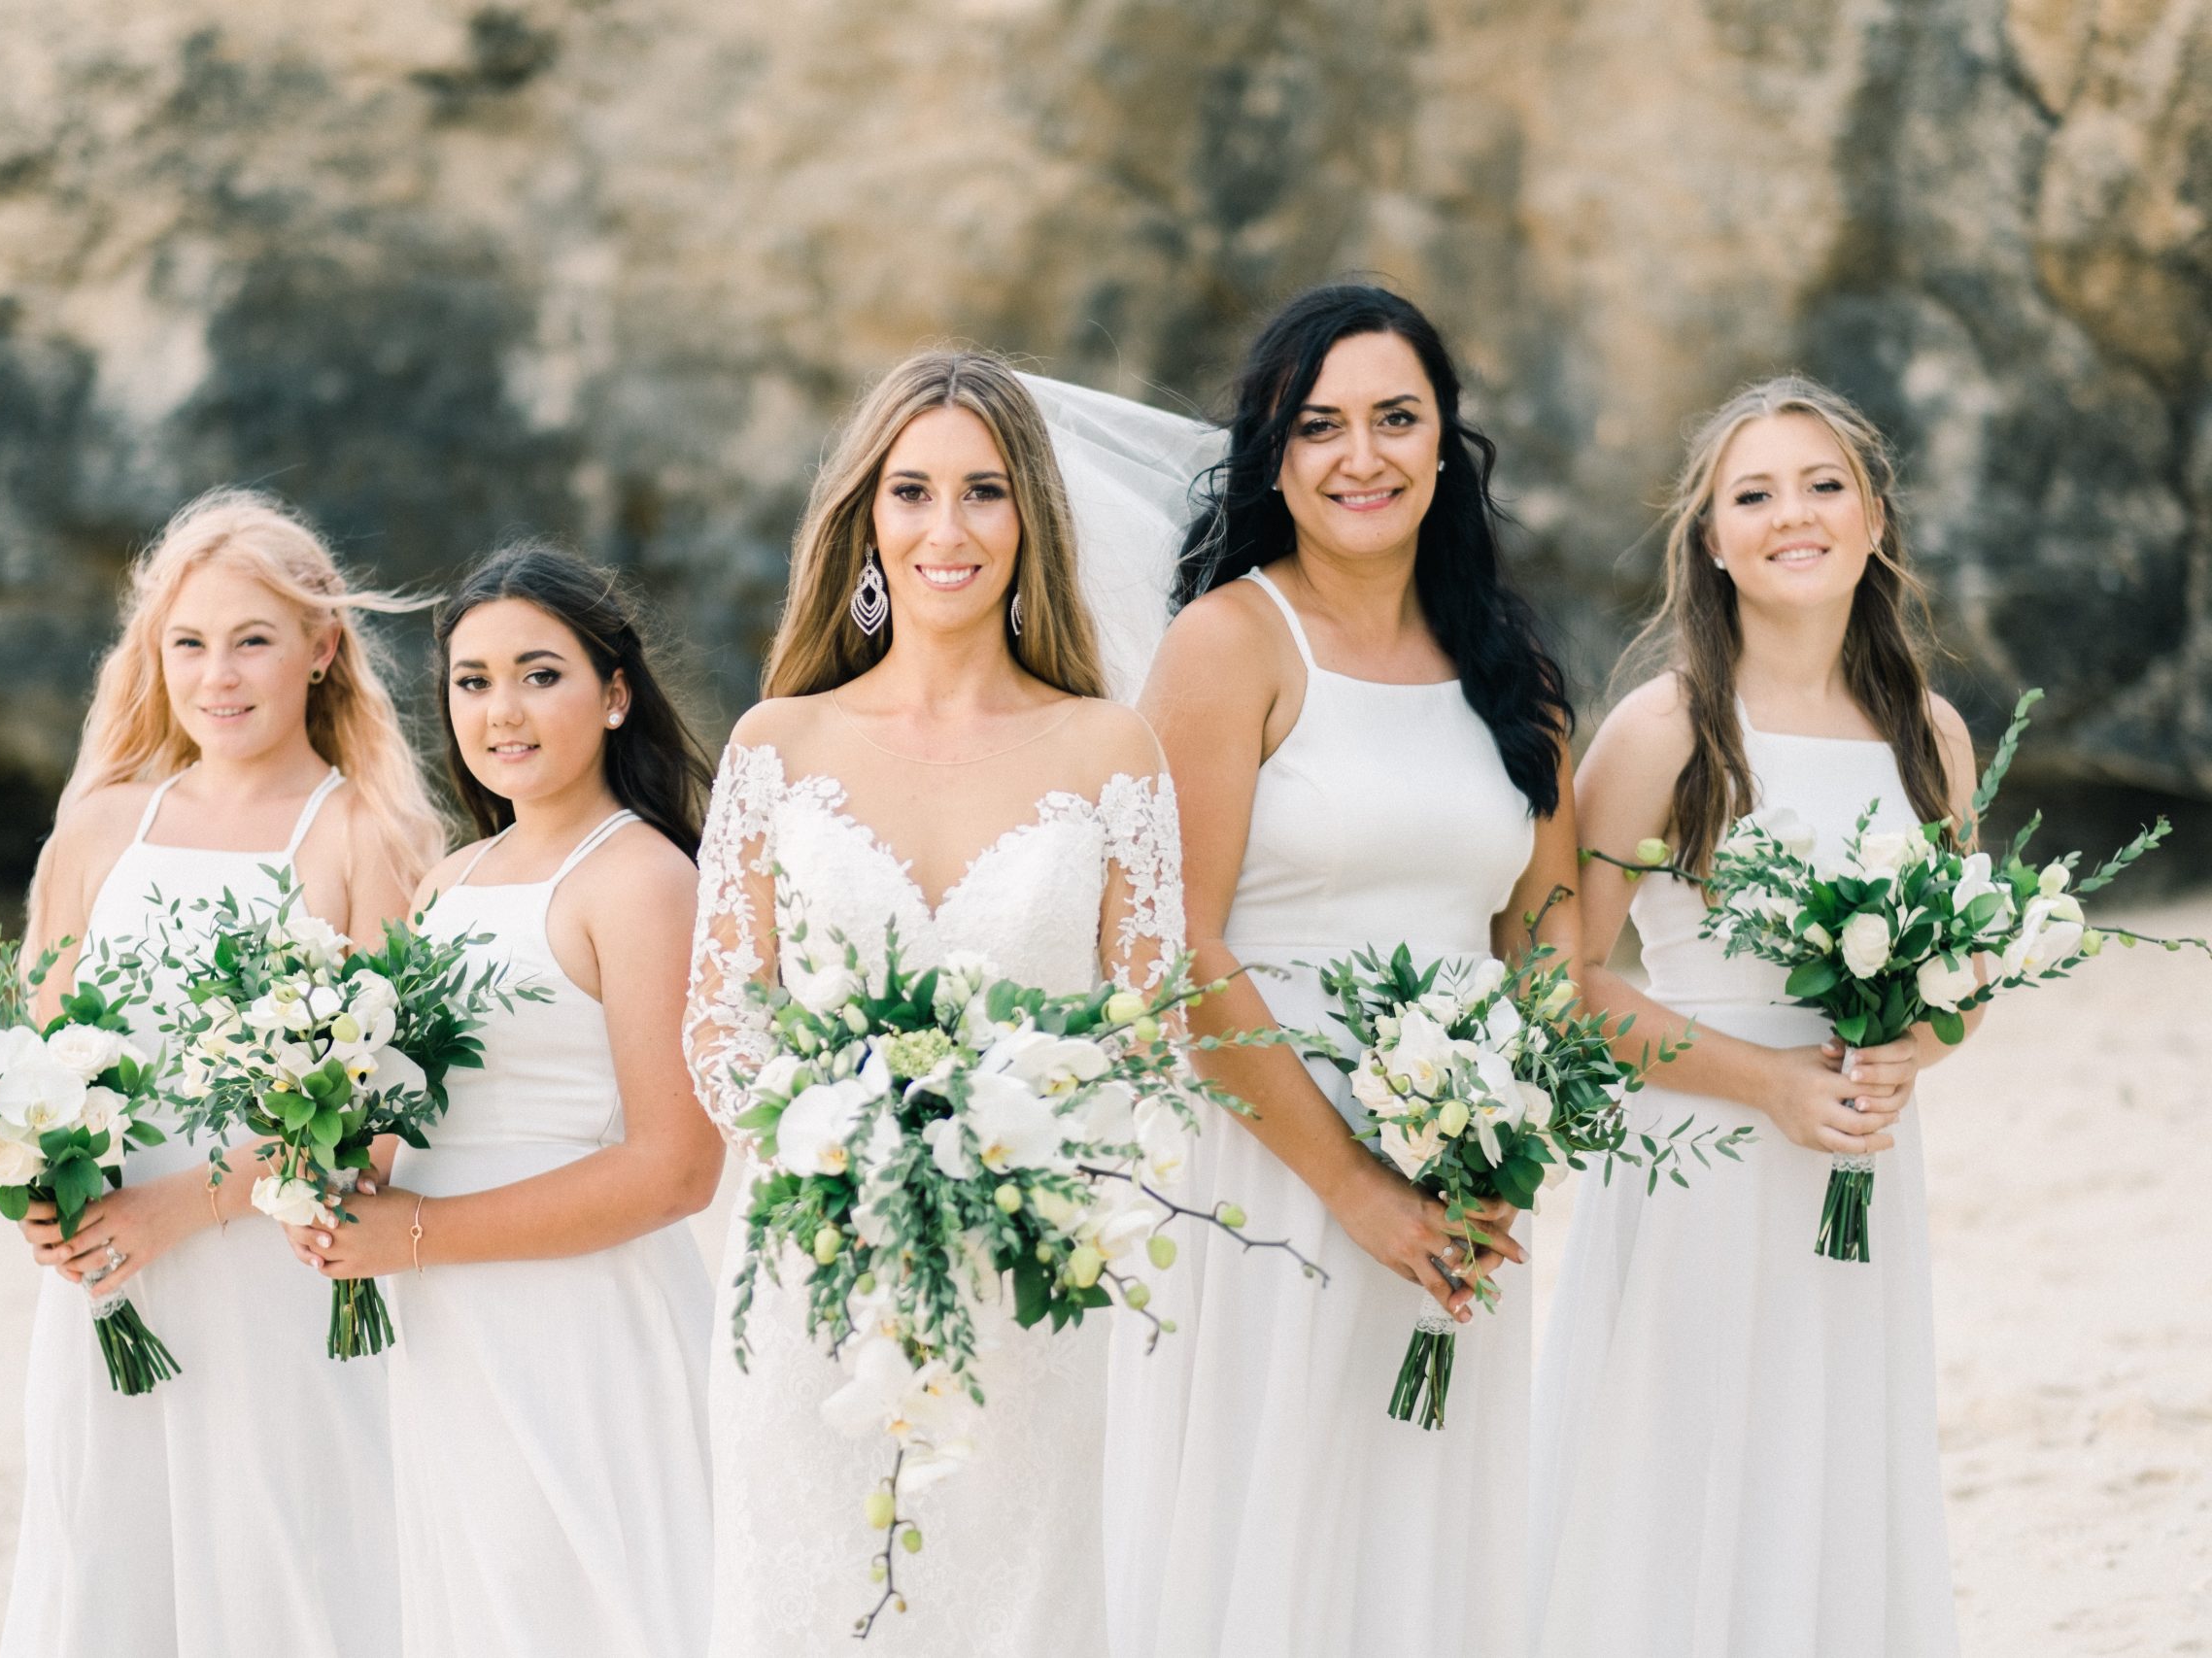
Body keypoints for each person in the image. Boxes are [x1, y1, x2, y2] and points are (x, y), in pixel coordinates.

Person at [685, 348, 1184, 1656]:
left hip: (1024, 1292)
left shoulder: (1108, 749)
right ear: (865, 519)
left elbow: (1151, 1040)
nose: (946, 529)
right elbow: (728, 1035)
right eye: (911, 492)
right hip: (812, 1288)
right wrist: (863, 1136)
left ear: (1032, 522)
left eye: (984, 491)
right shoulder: (775, 746)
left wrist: (1000, 1148)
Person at [1104, 283, 1578, 1658]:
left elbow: (1548, 926)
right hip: (1266, 1159)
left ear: (1446, 444)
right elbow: (1176, 948)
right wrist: (1358, 1186)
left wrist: (1512, 1124)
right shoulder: (1232, 642)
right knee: (1266, 1529)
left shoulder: (1513, 670)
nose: (1359, 455)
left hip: (1466, 1162)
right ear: (1272, 451)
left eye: (1394, 418)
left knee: (1420, 1518)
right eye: (1319, 425)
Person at [1530, 375, 1977, 1658]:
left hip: (1861, 1162)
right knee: (1678, 1477)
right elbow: (1567, 979)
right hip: (1702, 1165)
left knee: (1833, 1466)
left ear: (1876, 516)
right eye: (1756, 492)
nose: (1796, 513)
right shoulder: (1666, 728)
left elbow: (1970, 975)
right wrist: (1771, 1081)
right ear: (1714, 540)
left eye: (1825, 482)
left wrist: (1913, 1044)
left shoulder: (1928, 734)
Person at [2, 487, 438, 1656]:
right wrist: (43, 1195)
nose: (220, 676)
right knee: (108, 1550)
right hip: (110, 1275)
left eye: (253, 640)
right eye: (188, 644)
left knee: (284, 1555)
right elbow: (34, 1067)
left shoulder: (361, 836)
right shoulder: (102, 831)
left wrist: (181, 1209)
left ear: (320, 648)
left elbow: (386, 1112)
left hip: (273, 1271)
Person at [288, 542, 721, 1658]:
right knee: (481, 1605)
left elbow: (677, 1167)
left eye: (541, 673)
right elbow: (419, 1107)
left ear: (615, 694)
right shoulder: (451, 881)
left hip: (579, 1324)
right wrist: (336, 1166)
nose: (501, 710)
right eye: (473, 681)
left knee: (594, 1605)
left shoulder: (640, 880)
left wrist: (420, 1233)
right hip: (447, 1327)